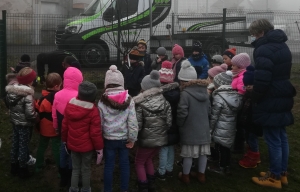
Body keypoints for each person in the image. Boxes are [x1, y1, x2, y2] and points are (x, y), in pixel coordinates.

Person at [249, 19, 296, 189]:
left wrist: (255, 95)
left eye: (254, 34)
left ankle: (274, 176)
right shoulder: (282, 45)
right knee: (281, 135)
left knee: (272, 138)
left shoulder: (264, 49)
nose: (253, 37)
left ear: (260, 32)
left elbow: (263, 77)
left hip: (271, 95)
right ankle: (282, 173)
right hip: (283, 91)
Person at [98, 65, 138, 192]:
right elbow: (132, 121)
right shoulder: (129, 100)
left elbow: (99, 122)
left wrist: (100, 138)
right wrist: (132, 138)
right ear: (121, 82)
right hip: (124, 139)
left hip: (109, 139)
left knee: (109, 165)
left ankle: (107, 190)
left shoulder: (102, 101)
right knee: (124, 164)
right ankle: (124, 189)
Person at [62, 81, 104, 192]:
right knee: (86, 169)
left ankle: (73, 188)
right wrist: (99, 148)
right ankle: (86, 189)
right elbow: (95, 133)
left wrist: (64, 141)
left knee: (75, 168)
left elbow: (64, 125)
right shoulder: (93, 111)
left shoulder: (69, 105)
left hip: (72, 144)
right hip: (87, 148)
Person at [134, 70, 172, 192]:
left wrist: (134, 138)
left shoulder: (140, 104)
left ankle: (143, 186)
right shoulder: (165, 102)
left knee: (139, 162)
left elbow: (138, 126)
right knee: (148, 159)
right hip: (161, 139)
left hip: (146, 141)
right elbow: (169, 123)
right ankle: (151, 183)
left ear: (144, 87)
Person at [176, 61, 211, 184]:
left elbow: (182, 112)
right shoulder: (205, 92)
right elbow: (209, 110)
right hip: (204, 128)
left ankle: (185, 176)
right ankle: (201, 175)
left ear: (182, 81)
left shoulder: (185, 94)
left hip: (189, 128)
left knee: (188, 154)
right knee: (203, 153)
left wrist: (179, 124)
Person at [52, 67, 83, 187]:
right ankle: (72, 175)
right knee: (73, 154)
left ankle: (63, 176)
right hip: (75, 131)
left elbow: (54, 114)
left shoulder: (58, 95)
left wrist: (56, 127)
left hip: (62, 130)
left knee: (63, 150)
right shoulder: (79, 96)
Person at [6, 67, 38, 178]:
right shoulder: (28, 95)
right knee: (23, 146)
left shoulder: (12, 91)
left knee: (15, 143)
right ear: (30, 80)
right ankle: (23, 169)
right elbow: (29, 114)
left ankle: (13, 166)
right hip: (25, 125)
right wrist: (36, 117)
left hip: (15, 122)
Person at [208, 72, 242, 175]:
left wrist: (210, 129)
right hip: (230, 126)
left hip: (220, 127)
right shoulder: (236, 95)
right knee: (225, 148)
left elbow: (214, 116)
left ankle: (221, 167)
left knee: (220, 147)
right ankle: (225, 164)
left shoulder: (219, 97)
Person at [155, 61, 180, 180]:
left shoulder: (161, 96)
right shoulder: (178, 93)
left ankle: (162, 172)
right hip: (175, 125)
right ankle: (170, 169)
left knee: (163, 149)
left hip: (164, 126)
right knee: (171, 148)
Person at [35, 73, 62, 173]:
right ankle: (60, 170)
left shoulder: (41, 99)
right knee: (57, 148)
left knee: (42, 146)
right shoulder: (58, 98)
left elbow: (37, 111)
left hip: (43, 128)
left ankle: (38, 166)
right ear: (56, 86)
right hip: (55, 128)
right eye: (60, 85)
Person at [238, 66, 263, 169]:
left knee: (252, 140)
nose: (248, 87)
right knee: (249, 139)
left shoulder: (256, 98)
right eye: (246, 84)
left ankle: (254, 158)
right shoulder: (247, 95)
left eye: (250, 84)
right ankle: (251, 154)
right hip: (247, 122)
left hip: (253, 123)